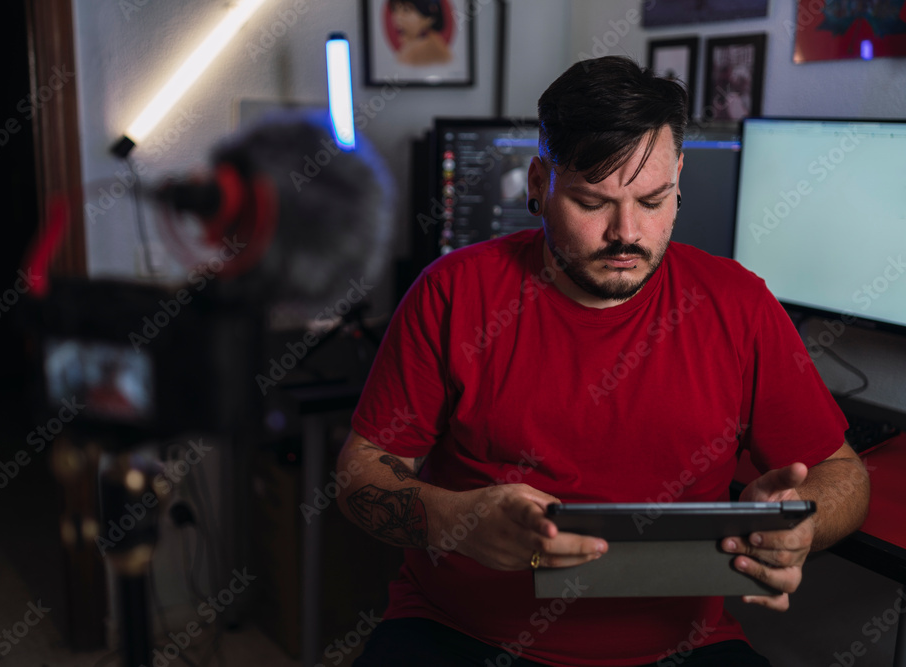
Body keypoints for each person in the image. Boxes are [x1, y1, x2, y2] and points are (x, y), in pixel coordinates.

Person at [335, 56, 870, 666]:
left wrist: (802, 522)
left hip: (677, 645)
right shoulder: (453, 292)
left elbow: (844, 476)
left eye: (653, 199)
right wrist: (451, 518)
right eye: (593, 202)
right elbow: (360, 474)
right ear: (539, 183)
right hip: (462, 632)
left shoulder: (740, 304)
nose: (627, 233)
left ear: (680, 179)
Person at [389, 0, 452, 67]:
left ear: (429, 18)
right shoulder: (433, 42)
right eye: (395, 10)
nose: (398, 17)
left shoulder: (413, 54)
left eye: (406, 10)